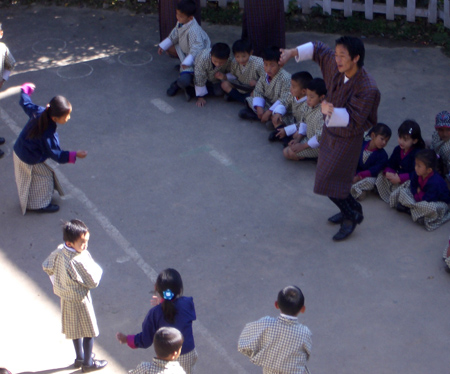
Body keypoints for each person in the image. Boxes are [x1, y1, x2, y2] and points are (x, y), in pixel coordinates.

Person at [280, 36, 381, 241]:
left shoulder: (367, 87)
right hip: (329, 133)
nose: (337, 59)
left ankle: (351, 217)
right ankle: (352, 209)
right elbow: (318, 49)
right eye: (337, 55)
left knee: (329, 180)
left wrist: (329, 111)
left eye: (342, 56)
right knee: (331, 179)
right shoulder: (335, 67)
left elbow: (354, 120)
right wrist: (292, 52)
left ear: (356, 58)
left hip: (347, 138)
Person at [42, 219, 107, 373]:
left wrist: (56, 283)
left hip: (65, 299)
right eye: (82, 242)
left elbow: (46, 265)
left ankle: (79, 357)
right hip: (80, 300)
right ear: (70, 243)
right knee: (88, 331)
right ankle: (88, 362)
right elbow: (93, 281)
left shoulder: (59, 251)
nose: (85, 246)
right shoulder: (77, 261)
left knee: (74, 330)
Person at [13, 83, 87, 214]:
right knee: (46, 178)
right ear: (55, 118)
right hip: (29, 157)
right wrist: (75, 154)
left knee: (34, 176)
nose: (68, 118)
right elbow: (56, 155)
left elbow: (26, 103)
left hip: (19, 149)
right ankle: (40, 205)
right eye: (66, 116)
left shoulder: (40, 111)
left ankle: (33, 197)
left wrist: (25, 90)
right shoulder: (48, 133)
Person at [116, 268, 197, 374]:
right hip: (187, 354)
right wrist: (164, 302)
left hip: (165, 358)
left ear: (156, 288)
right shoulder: (187, 303)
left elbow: (145, 340)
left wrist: (127, 339)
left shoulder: (154, 313)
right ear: (180, 290)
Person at [238, 285, 312, 374]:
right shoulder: (305, 333)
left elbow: (243, 345)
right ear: (302, 309)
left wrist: (260, 355)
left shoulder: (266, 323)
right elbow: (306, 355)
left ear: (276, 305)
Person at [158, 0, 210, 101]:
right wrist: (163, 46)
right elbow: (175, 34)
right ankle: (188, 77)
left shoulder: (194, 31)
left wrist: (187, 62)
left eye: (180, 16)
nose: (178, 17)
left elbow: (196, 50)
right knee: (169, 47)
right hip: (187, 52)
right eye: (177, 14)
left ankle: (178, 84)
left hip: (197, 59)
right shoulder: (182, 22)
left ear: (190, 17)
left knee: (184, 80)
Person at [392, 149, 450, 231]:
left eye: (419, 166)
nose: (416, 168)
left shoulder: (435, 182)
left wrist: (419, 194)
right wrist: (416, 193)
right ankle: (415, 211)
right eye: (416, 164)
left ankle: (410, 209)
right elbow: (413, 185)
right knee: (404, 189)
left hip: (437, 202)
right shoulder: (417, 173)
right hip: (420, 198)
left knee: (431, 207)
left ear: (429, 170)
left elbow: (429, 198)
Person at [375, 120, 425, 204]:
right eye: (400, 137)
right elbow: (390, 163)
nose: (401, 141)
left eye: (405, 140)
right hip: (397, 177)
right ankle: (393, 195)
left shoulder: (417, 154)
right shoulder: (398, 149)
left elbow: (416, 174)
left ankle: (402, 202)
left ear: (414, 140)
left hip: (409, 180)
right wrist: (388, 171)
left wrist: (400, 178)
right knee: (381, 175)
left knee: (406, 189)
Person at [239, 46, 291, 126]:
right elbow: (258, 90)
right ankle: (265, 117)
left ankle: (270, 119)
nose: (268, 69)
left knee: (282, 114)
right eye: (266, 64)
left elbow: (285, 99)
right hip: (269, 102)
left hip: (280, 106)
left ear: (280, 64)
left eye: (272, 65)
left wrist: (269, 111)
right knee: (251, 99)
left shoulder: (286, 78)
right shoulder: (265, 75)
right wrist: (259, 108)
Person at [282, 78, 327, 159]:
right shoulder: (308, 105)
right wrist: (298, 139)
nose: (308, 100)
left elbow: (320, 137)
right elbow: (304, 122)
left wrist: (303, 146)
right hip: (308, 138)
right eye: (307, 95)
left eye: (312, 97)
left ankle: (316, 158)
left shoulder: (323, 113)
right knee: (288, 149)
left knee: (289, 152)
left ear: (321, 97)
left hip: (319, 145)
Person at [349, 123, 391, 201]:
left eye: (386, 141)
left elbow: (374, 171)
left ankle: (354, 189)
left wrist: (359, 177)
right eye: (382, 139)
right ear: (373, 136)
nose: (384, 143)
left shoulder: (383, 155)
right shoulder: (361, 144)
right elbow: (353, 160)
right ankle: (357, 190)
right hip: (355, 172)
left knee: (372, 181)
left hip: (367, 177)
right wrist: (354, 173)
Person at [269, 71, 312, 144]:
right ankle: (281, 133)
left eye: (293, 87)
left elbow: (304, 123)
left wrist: (286, 130)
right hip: (293, 119)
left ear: (303, 91)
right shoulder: (293, 95)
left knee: (297, 134)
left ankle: (284, 137)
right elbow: (285, 102)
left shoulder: (308, 104)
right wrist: (278, 113)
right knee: (276, 117)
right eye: (291, 85)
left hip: (302, 125)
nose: (290, 88)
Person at [216, 39, 265, 104]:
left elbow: (266, 79)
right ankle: (245, 100)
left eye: (244, 56)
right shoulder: (234, 62)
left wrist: (257, 83)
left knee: (256, 94)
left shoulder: (259, 63)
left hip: (252, 88)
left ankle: (239, 98)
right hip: (240, 86)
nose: (241, 59)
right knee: (224, 85)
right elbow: (233, 76)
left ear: (250, 53)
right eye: (237, 56)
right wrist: (224, 77)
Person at [194, 42, 232, 107]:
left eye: (221, 63)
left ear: (227, 58)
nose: (217, 64)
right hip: (199, 76)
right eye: (215, 61)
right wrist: (200, 97)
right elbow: (199, 76)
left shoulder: (229, 61)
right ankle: (193, 91)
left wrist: (224, 76)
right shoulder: (203, 59)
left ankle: (194, 91)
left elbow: (232, 72)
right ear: (210, 54)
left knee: (219, 92)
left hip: (214, 80)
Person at [0, 22, 16, 159]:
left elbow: (10, 64)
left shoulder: (3, 48)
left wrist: (2, 80)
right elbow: (11, 64)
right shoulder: (2, 48)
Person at [430, 110, 450, 183]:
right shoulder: (436, 135)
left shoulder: (448, 149)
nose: (445, 133)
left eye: (448, 129)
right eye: (441, 130)